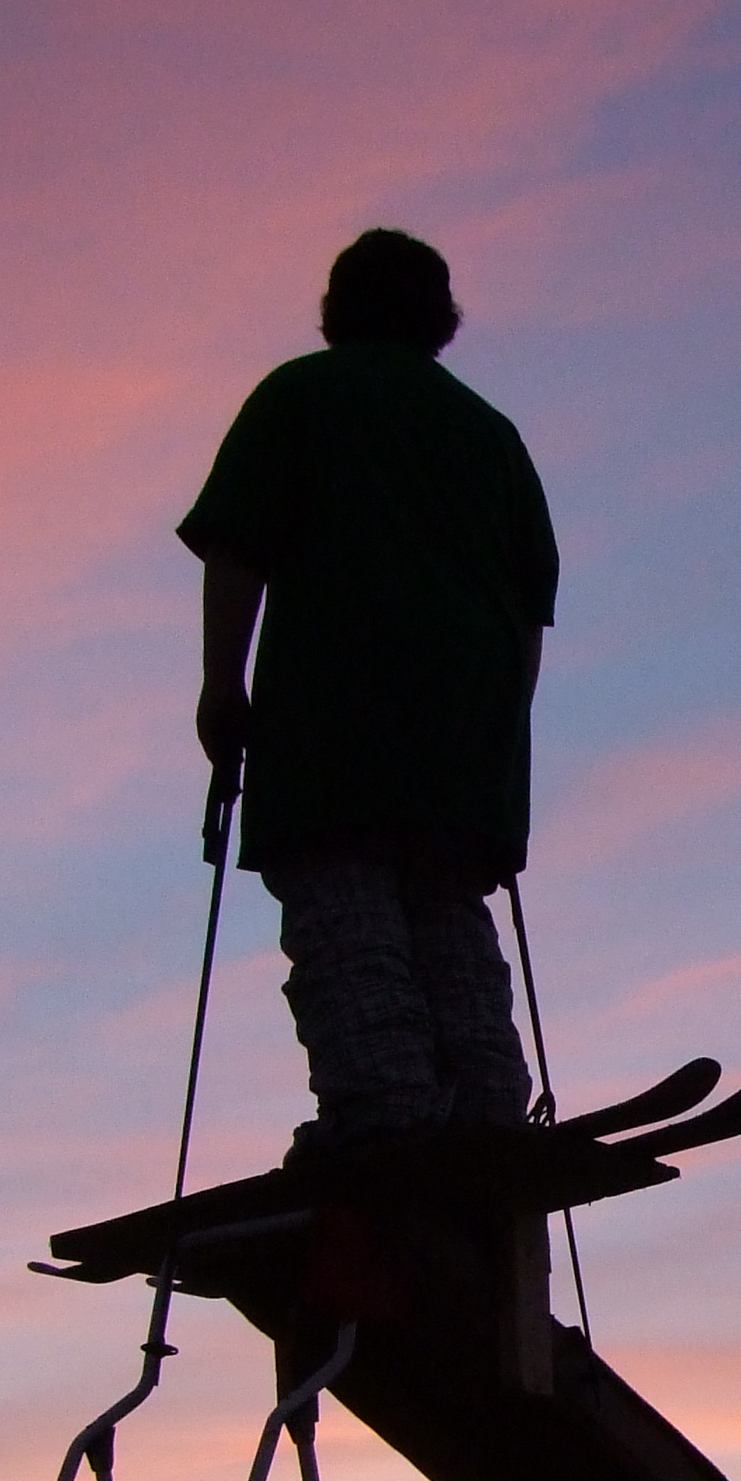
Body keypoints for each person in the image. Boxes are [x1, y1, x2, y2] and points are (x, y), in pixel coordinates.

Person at [176, 231, 558, 1161]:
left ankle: (383, 1110)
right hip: (466, 753)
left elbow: (237, 550)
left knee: (347, 915)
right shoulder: (492, 437)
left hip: (331, 731)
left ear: (337, 309)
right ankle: (488, 1112)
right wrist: (499, 742)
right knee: (447, 925)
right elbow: (529, 613)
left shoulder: (300, 396)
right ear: (440, 321)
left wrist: (221, 688)